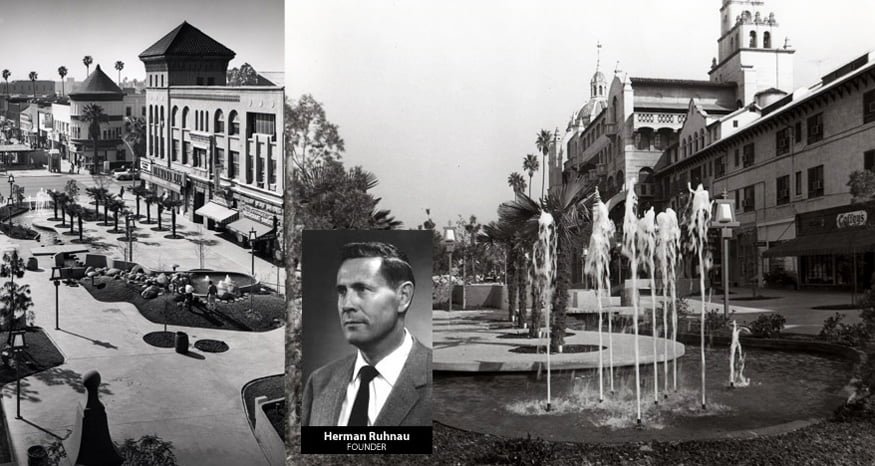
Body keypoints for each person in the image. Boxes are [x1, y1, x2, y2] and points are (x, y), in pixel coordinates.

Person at [302, 242, 432, 427]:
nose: (347, 305)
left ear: (403, 296)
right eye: (342, 291)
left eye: (362, 289)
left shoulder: (435, 382)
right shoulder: (320, 382)